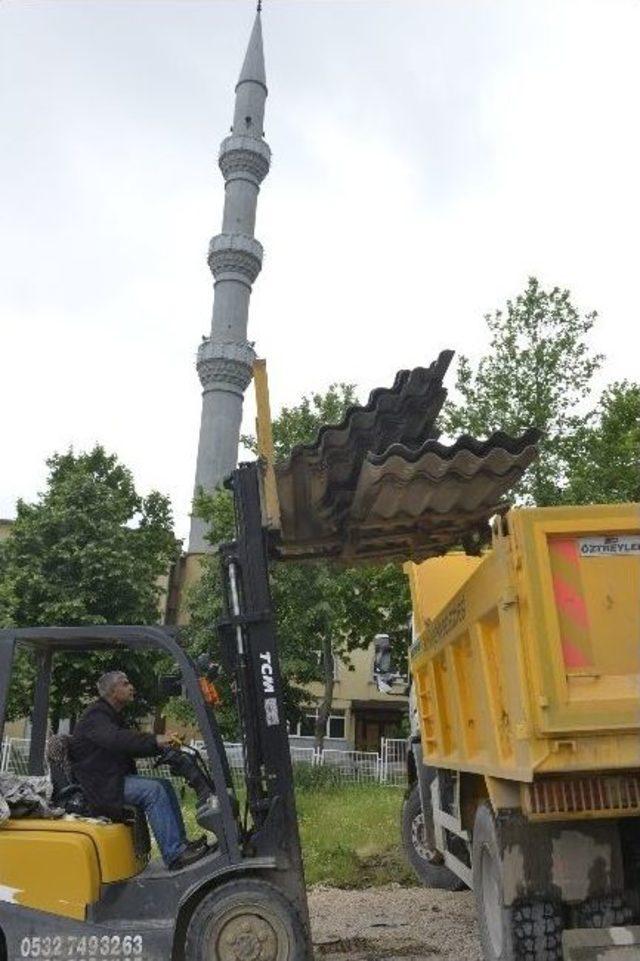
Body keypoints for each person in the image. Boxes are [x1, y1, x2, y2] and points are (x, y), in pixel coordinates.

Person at [70, 670, 208, 871]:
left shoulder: (111, 716)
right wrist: (156, 740)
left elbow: (129, 744)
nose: (131, 687)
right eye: (125, 683)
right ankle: (175, 854)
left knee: (164, 785)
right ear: (112, 691)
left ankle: (181, 844)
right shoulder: (96, 716)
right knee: (154, 791)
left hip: (111, 780)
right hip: (100, 787)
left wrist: (160, 745)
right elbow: (118, 739)